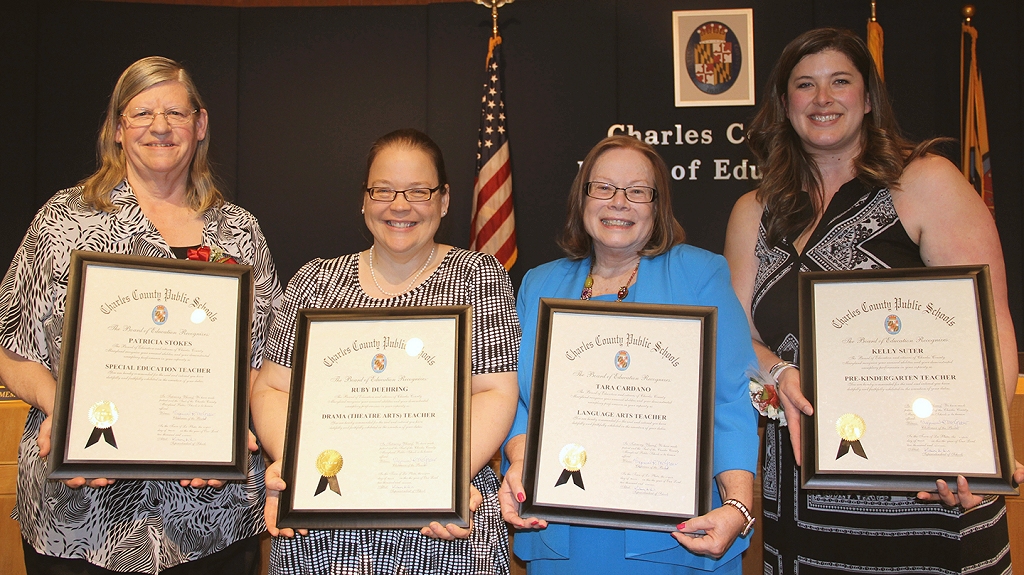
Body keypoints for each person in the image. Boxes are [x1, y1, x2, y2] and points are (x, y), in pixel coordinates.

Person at [723, 27, 1024, 574]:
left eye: (840, 81)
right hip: (799, 490)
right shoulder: (753, 209)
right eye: (804, 85)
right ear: (784, 104)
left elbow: (990, 325)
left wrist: (982, 454)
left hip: (926, 486)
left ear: (867, 98)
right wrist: (779, 371)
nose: (822, 99)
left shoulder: (926, 182)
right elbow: (737, 335)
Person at [0, 56, 283, 574]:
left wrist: (226, 429)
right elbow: (9, 347)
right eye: (141, 113)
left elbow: (266, 366)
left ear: (200, 126)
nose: (159, 126)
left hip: (210, 515)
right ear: (115, 129)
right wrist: (61, 405)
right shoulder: (63, 222)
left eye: (175, 112)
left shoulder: (238, 232)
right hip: (82, 517)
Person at [251, 128, 520, 575]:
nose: (400, 205)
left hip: (440, 536)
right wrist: (299, 464)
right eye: (384, 190)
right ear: (364, 198)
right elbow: (273, 388)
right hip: (324, 532)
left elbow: (493, 391)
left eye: (419, 190)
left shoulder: (479, 277)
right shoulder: (314, 283)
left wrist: (445, 480)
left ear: (445, 200)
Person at [499, 135, 759, 574]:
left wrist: (738, 504)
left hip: (673, 534)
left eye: (637, 191)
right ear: (581, 199)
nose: (618, 203)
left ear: (657, 207)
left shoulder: (698, 273)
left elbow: (730, 397)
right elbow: (520, 401)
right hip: (562, 528)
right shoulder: (538, 285)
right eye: (603, 188)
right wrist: (522, 460)